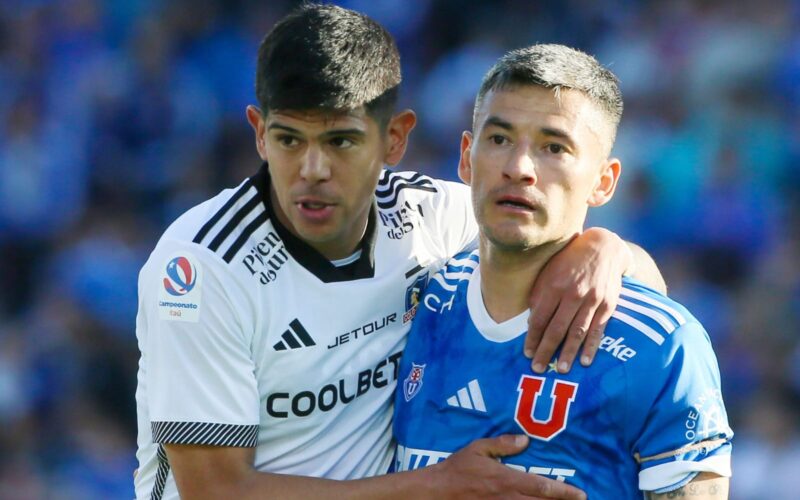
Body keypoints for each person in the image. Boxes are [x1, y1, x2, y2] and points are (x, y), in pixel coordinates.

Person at [134, 5, 666, 499]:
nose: (311, 170)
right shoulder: (203, 266)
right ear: (258, 133)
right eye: (289, 139)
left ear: (395, 138)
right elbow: (218, 492)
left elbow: (632, 279)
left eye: (340, 141)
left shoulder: (429, 217)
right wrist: (435, 486)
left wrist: (606, 250)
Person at [393, 44, 733, 499]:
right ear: (466, 157)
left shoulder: (661, 345)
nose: (519, 168)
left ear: (604, 181)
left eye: (554, 147)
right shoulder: (412, 305)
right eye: (499, 140)